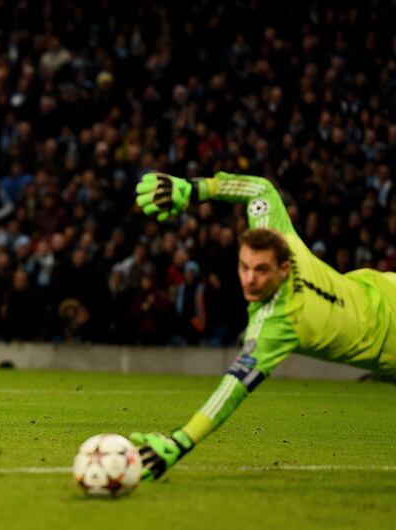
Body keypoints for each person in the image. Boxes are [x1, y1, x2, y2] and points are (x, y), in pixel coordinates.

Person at [130, 171, 396, 479]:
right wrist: (192, 190)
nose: (250, 279)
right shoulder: (280, 239)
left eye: (261, 270)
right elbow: (259, 189)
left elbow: (231, 391)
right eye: (244, 267)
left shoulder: (275, 325)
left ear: (283, 269)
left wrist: (181, 441)